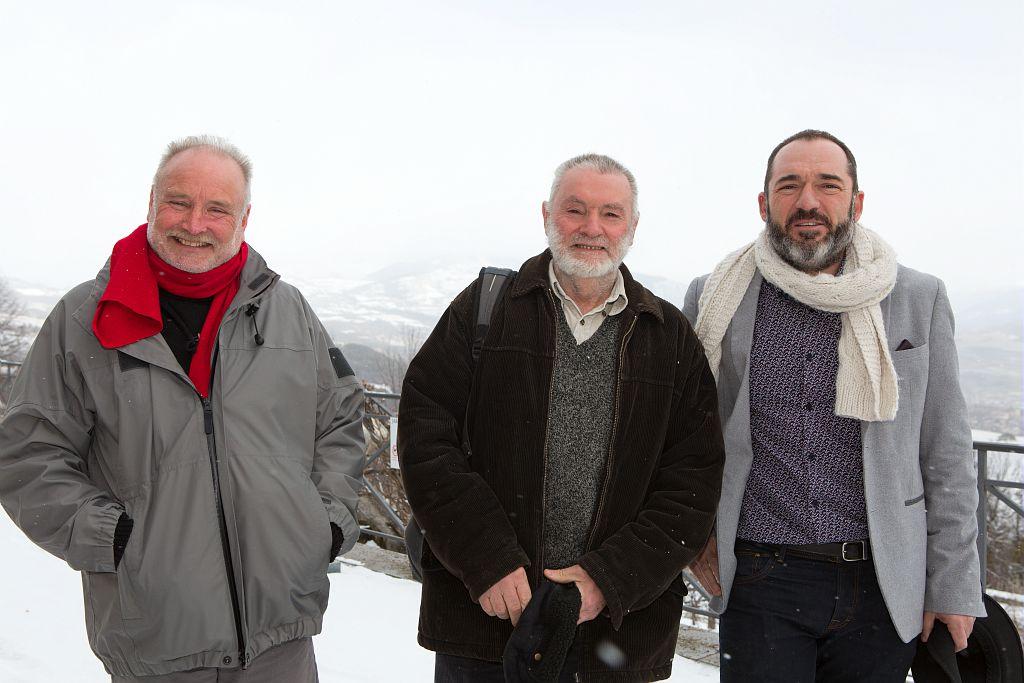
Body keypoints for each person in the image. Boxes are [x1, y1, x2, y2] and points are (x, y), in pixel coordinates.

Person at [0, 135, 366, 681]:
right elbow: (28, 454)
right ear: (151, 203)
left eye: (217, 208)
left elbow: (341, 418)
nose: (194, 223)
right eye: (178, 201)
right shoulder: (85, 317)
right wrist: (114, 539)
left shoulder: (286, 310)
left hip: (282, 638)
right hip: (154, 638)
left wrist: (325, 522)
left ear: (245, 218)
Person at [398, 154, 725, 682]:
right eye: (576, 210)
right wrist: (488, 558)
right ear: (547, 214)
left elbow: (693, 482)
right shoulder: (486, 309)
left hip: (616, 639)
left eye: (611, 214)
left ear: (633, 227)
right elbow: (425, 437)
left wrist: (608, 579)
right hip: (485, 622)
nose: (592, 228)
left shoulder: (668, 337)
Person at [682, 129, 985, 682]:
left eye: (828, 185)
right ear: (763, 201)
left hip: (884, 582)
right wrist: (693, 542)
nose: (808, 202)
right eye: (789, 185)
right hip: (758, 578)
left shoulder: (917, 297)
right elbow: (686, 439)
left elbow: (946, 452)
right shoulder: (716, 295)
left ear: (856, 200)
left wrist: (953, 585)